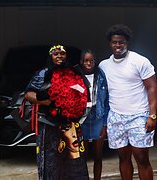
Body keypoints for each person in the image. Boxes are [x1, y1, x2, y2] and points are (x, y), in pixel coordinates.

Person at [99, 24, 157, 180]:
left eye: (121, 42)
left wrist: (152, 116)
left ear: (127, 42)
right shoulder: (103, 66)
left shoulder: (140, 61)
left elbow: (152, 88)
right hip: (116, 118)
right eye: (114, 42)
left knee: (142, 158)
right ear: (110, 44)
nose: (118, 45)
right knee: (123, 158)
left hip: (138, 116)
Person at [24, 44, 89, 180]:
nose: (59, 56)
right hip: (49, 125)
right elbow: (29, 94)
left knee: (74, 159)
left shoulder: (74, 71)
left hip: (70, 125)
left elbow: (84, 92)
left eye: (62, 54)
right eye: (56, 54)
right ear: (51, 56)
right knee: (52, 161)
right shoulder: (43, 73)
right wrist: (46, 102)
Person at [77, 50, 109, 180]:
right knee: (82, 155)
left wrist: (105, 124)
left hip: (98, 116)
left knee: (98, 155)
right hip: (82, 118)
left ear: (95, 62)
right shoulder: (76, 75)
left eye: (91, 61)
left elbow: (106, 101)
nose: (89, 63)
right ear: (81, 62)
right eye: (86, 61)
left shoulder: (101, 75)